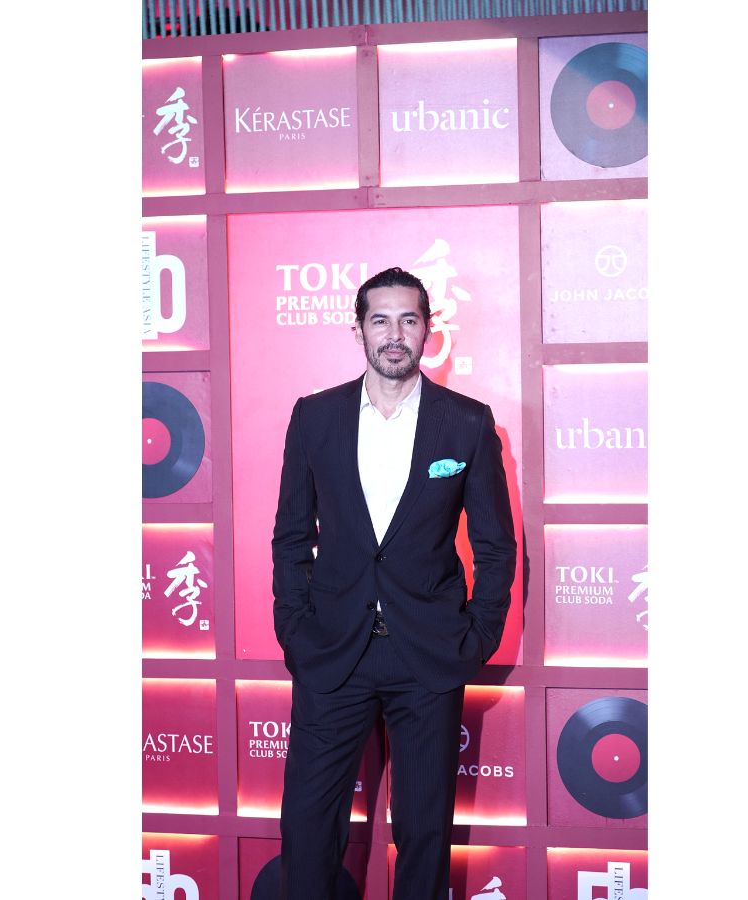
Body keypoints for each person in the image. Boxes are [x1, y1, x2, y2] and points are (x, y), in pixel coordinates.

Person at [271, 266, 518, 899]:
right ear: (358, 330)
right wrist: (296, 630)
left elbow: (495, 544)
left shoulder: (465, 422)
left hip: (428, 652)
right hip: (332, 650)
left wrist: (477, 636)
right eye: (380, 320)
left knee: (424, 831)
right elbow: (292, 535)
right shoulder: (315, 417)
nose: (394, 334)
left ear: (427, 330)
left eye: (408, 320)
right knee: (308, 826)